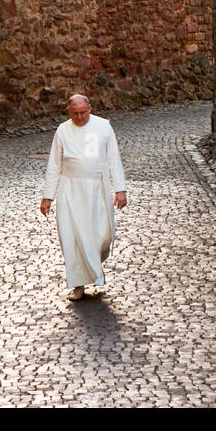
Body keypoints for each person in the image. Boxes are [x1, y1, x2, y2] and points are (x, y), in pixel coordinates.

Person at [40, 94, 127, 301]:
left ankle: (93, 268)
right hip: (71, 190)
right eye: (75, 113)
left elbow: (113, 159)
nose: (80, 117)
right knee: (73, 238)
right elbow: (54, 164)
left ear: (90, 108)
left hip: (98, 188)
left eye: (84, 112)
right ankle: (78, 284)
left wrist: (120, 189)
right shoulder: (62, 130)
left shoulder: (104, 126)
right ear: (69, 112)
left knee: (103, 236)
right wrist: (48, 197)